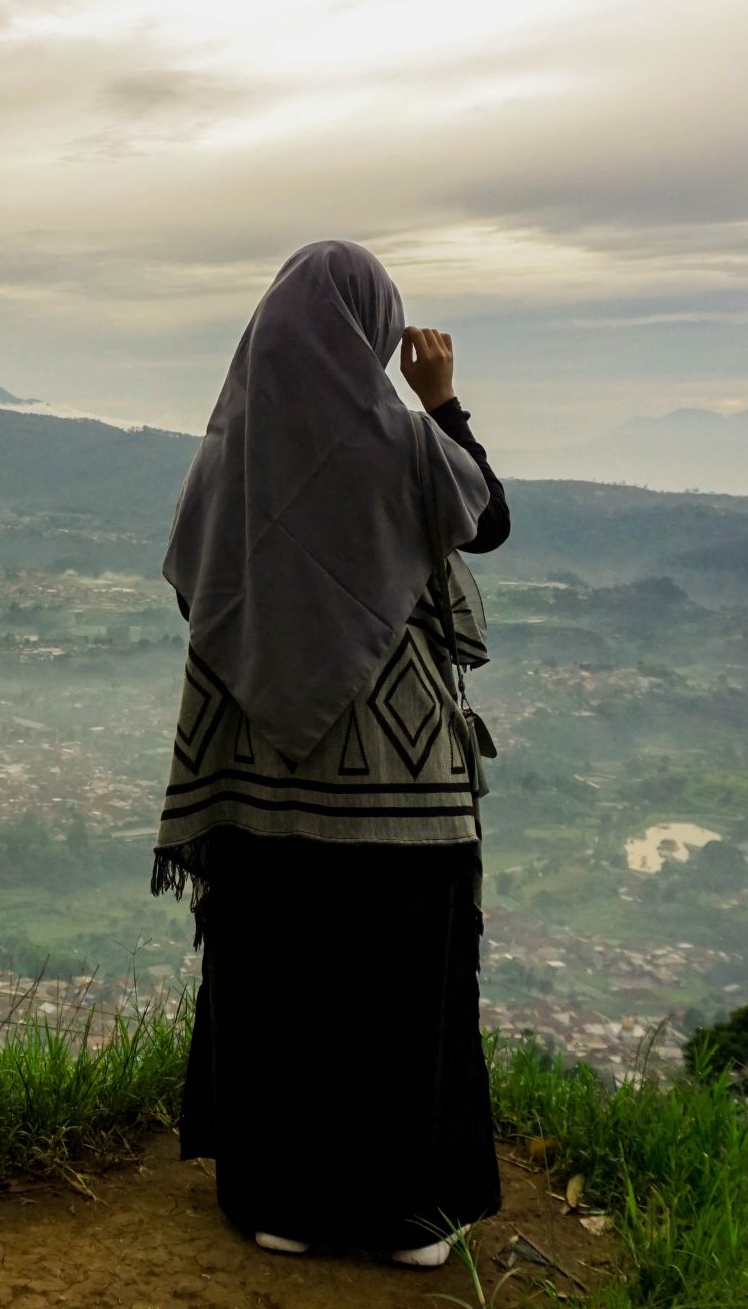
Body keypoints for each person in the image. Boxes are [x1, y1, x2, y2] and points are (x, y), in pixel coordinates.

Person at [155, 239, 510, 1267]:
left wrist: (286, 645)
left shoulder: (227, 453)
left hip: (259, 770)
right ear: (373, 327)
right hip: (399, 777)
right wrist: (440, 402)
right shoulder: (402, 444)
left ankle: (281, 1201)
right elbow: (485, 517)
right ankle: (407, 1219)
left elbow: (195, 591)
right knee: (402, 987)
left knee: (277, 979)